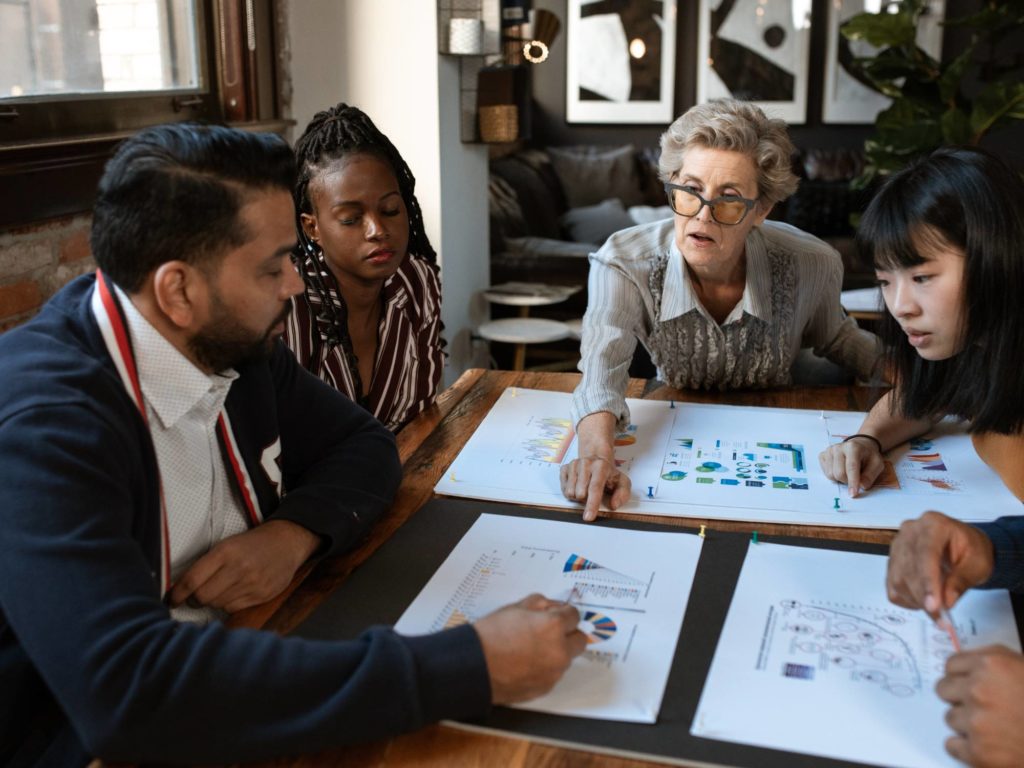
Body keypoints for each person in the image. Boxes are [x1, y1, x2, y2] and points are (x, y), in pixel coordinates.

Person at [0, 123, 586, 767]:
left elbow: (363, 445)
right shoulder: (43, 426)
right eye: (273, 265)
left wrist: (294, 532)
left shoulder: (231, 345)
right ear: (178, 290)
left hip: (254, 655)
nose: (296, 285)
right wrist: (466, 666)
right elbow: (129, 693)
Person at [562, 99, 880, 520]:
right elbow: (601, 377)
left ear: (761, 209)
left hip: (776, 444)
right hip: (677, 437)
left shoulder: (812, 262)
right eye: (690, 191)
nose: (702, 217)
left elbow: (840, 338)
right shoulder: (622, 261)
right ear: (672, 185)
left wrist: (923, 379)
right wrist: (597, 456)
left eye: (729, 200)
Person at [818, 146, 1024, 767]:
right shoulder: (981, 345)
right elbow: (918, 398)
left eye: (923, 277)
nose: (900, 305)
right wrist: (867, 439)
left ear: (996, 261)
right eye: (885, 281)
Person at [285, 103, 443, 432]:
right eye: (351, 219)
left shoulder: (417, 281)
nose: (377, 230)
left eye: (389, 210)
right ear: (312, 227)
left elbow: (421, 414)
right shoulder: (290, 305)